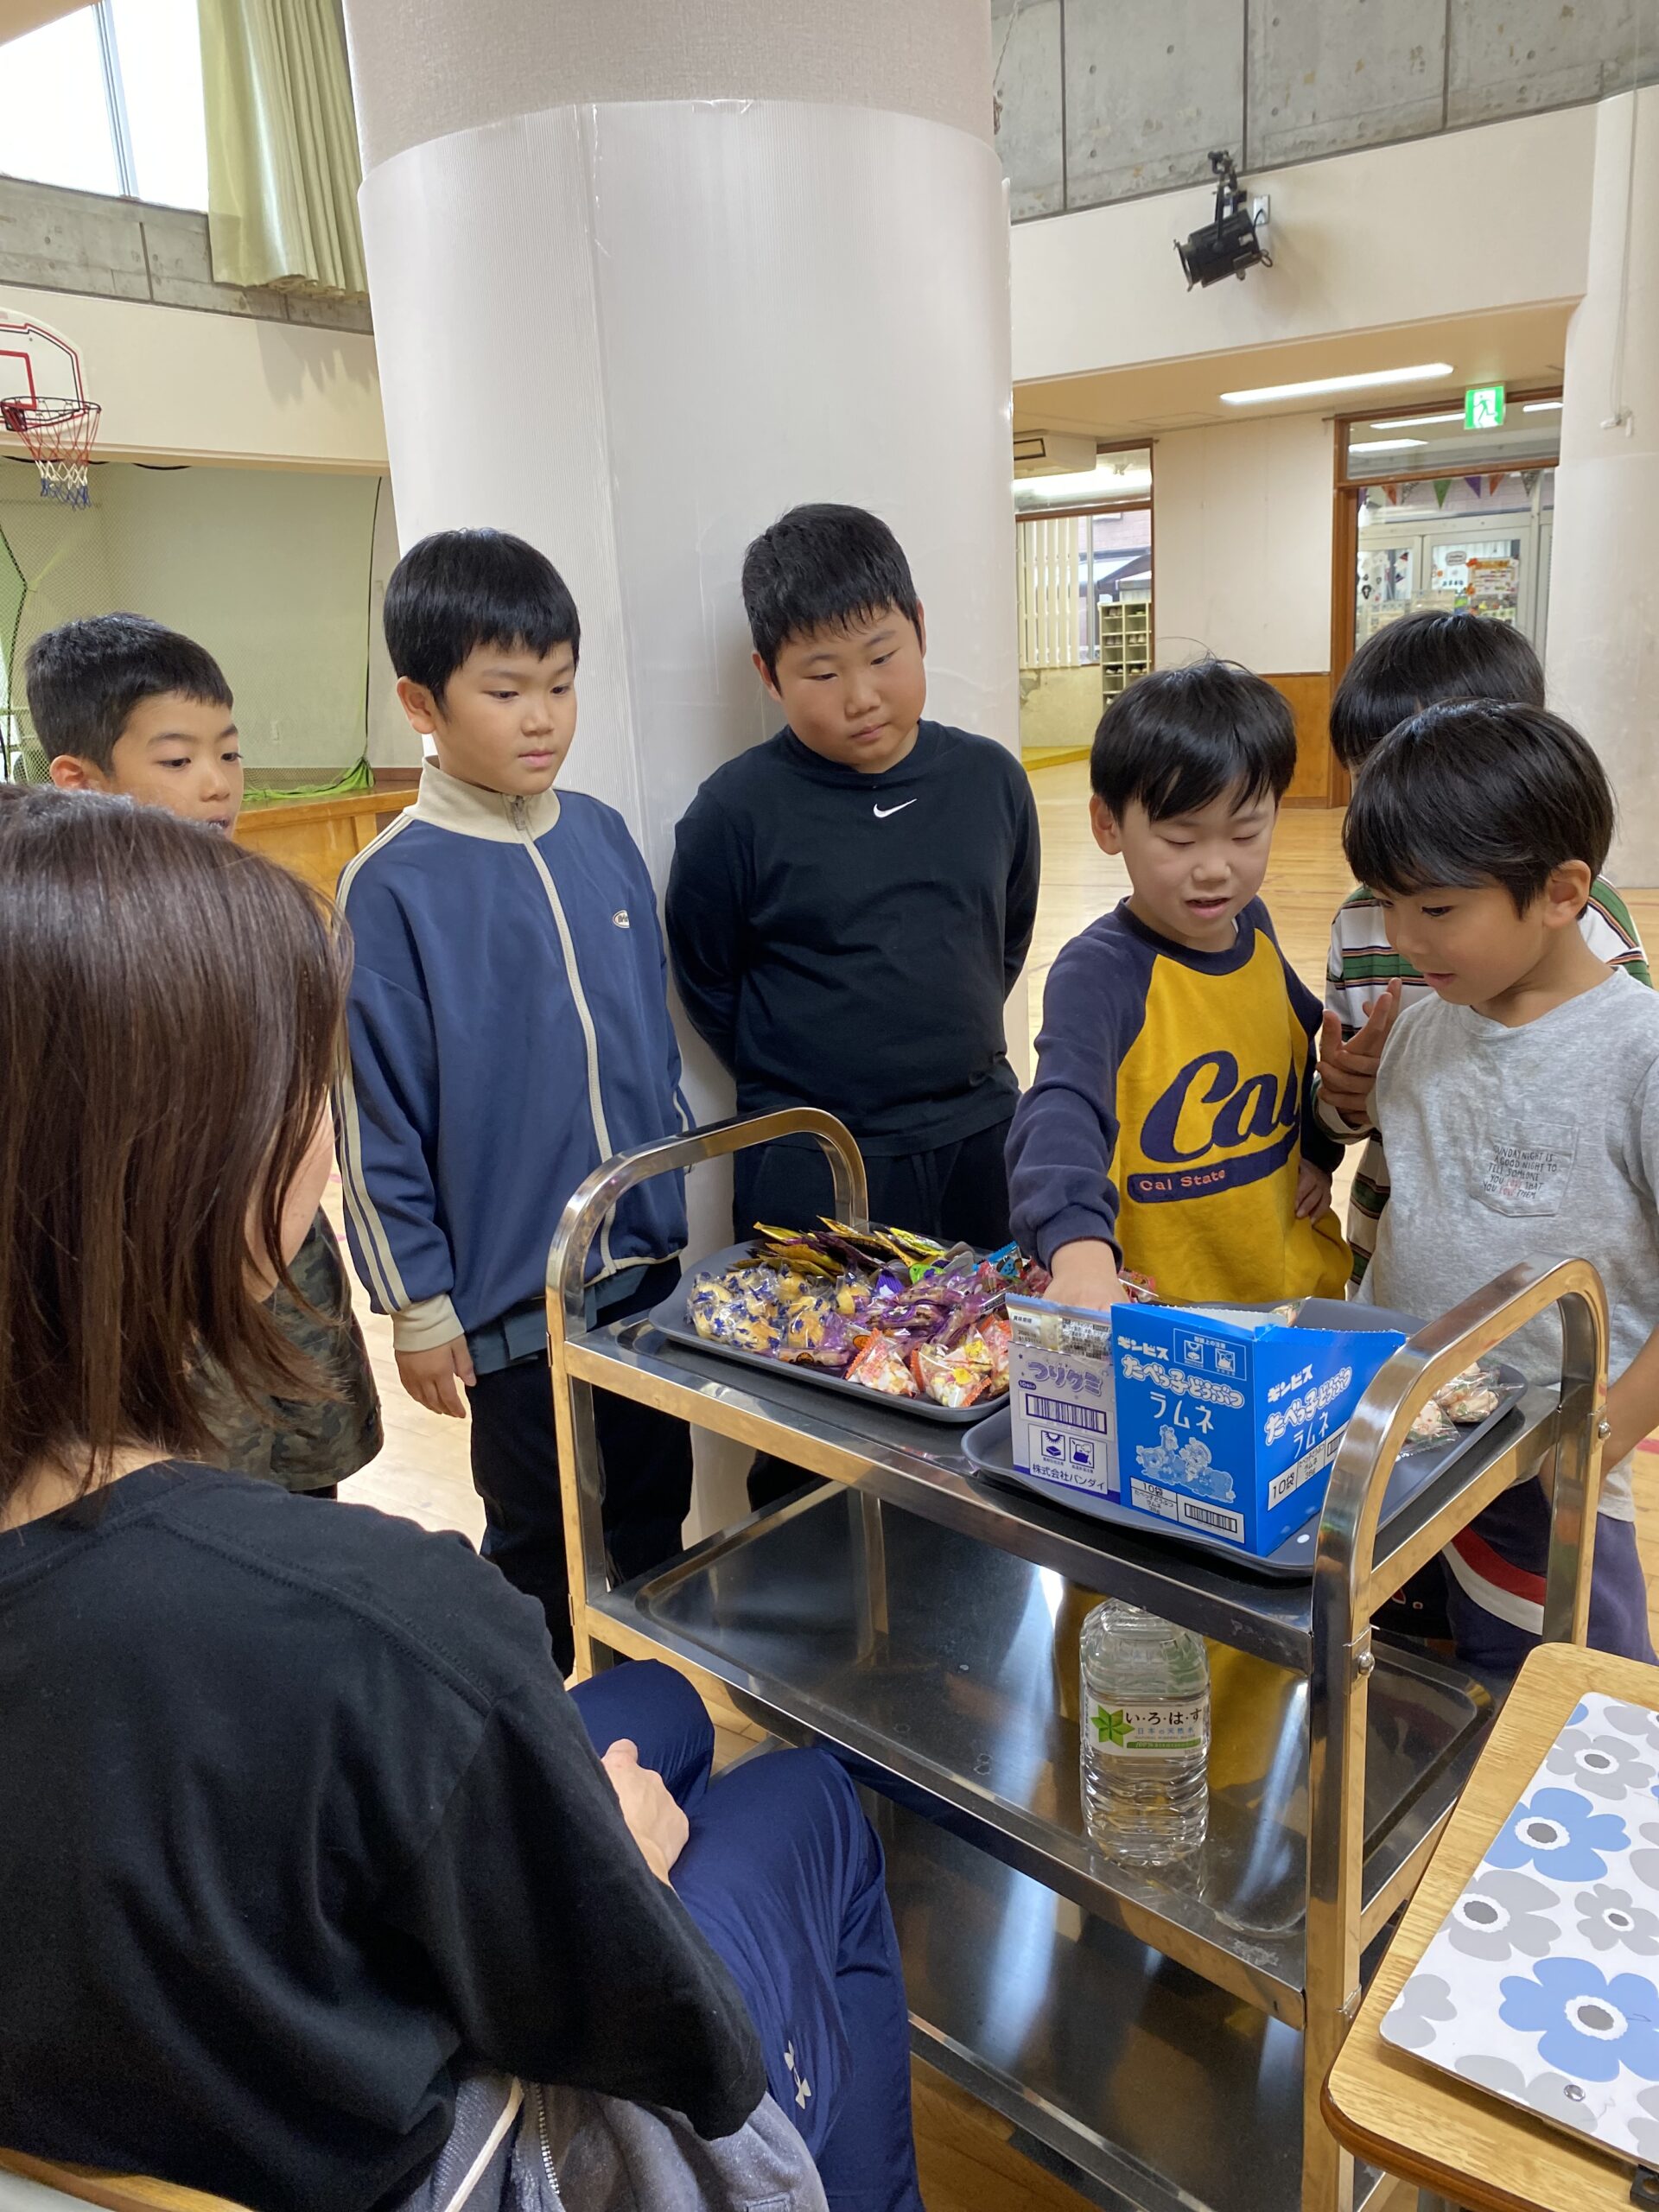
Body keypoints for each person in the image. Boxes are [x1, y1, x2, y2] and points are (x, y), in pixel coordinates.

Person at [0, 788, 924, 2212]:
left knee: (662, 1705)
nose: (331, 1140)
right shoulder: (383, 1623)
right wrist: (626, 1870)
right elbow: (655, 2028)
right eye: (307, 1098)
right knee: (814, 1799)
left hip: (128, 2087)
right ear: (192, 1161)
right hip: (442, 2164)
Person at [334, 530, 692, 1672]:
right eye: (505, 691)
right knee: (539, 1548)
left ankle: (642, 1724)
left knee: (653, 1522)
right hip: (511, 1301)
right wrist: (417, 1304)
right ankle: (538, 1746)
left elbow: (647, 1035)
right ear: (420, 703)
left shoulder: (601, 837)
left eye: (560, 684)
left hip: (644, 1278)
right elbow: (375, 1113)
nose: (543, 718)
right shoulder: (389, 888)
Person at [24, 611, 381, 1498]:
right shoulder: (58, 941)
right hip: (156, 1279)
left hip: (281, 1253)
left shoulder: (262, 910)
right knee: (199, 1492)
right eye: (179, 761)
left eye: (230, 752)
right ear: (79, 780)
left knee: (307, 1486)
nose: (219, 784)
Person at [1340, 700, 1659, 1672]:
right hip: (1401, 1447)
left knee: (1560, 1697)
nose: (1405, 937)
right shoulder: (1423, 1027)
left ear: (1562, 892)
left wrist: (1599, 1438)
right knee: (1410, 1687)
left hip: (1546, 1475)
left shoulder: (1638, 1055)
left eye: (1436, 910)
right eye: (1388, 904)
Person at [667, 503, 1039, 1253]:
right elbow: (707, 978)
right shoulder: (734, 812)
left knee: (994, 1323)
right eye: (822, 672)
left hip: (980, 1134)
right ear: (769, 677)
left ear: (920, 629)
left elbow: (1003, 935)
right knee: (810, 1334)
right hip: (811, 1154)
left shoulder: (990, 778)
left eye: (881, 656)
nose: (861, 696)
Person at [1317, 611, 1649, 1287]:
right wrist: (1340, 1101)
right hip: (1398, 1277)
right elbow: (1347, 1107)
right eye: (1374, 772)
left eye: (1436, 908)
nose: (1404, 939)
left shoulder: (1631, 1042)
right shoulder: (1404, 1000)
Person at [1007, 659, 1348, 1311]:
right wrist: (1079, 1251)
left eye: (1246, 833)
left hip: (1290, 1296)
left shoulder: (1256, 927)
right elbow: (1059, 1114)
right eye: (1180, 839)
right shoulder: (1099, 973)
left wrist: (1319, 1146)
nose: (1215, 869)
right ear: (1108, 825)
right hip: (1170, 1322)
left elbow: (1291, 1057)